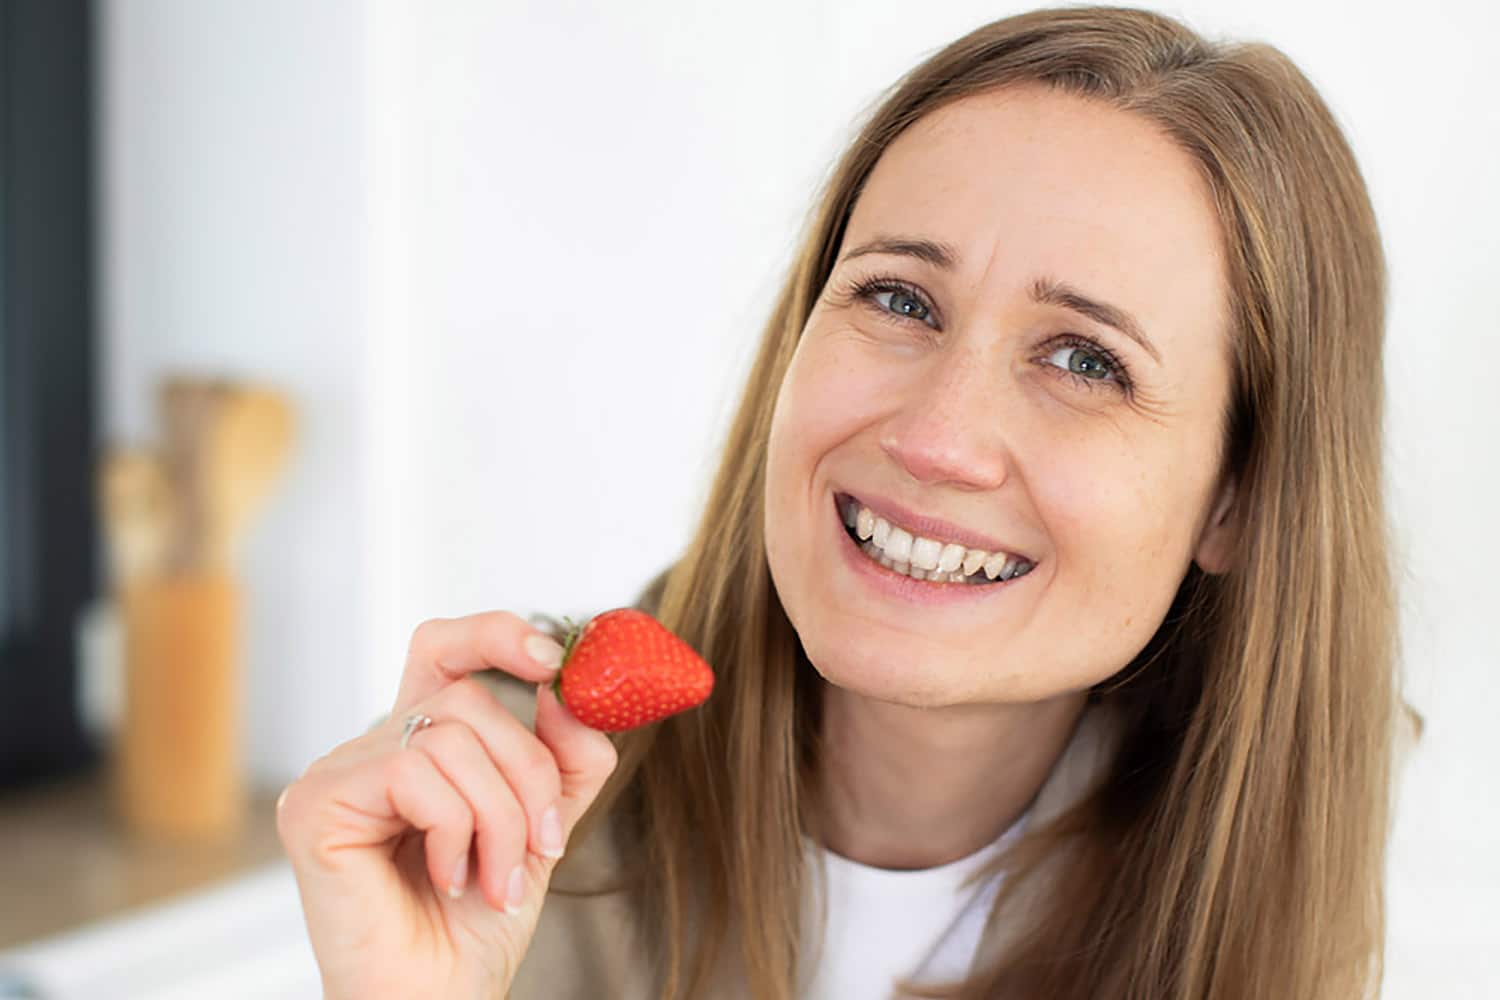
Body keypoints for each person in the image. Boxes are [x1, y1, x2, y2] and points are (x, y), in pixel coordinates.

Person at [275, 6, 1407, 998]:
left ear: (1239, 501)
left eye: (1087, 361)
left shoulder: (1280, 862)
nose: (936, 437)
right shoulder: (515, 827)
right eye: (900, 296)